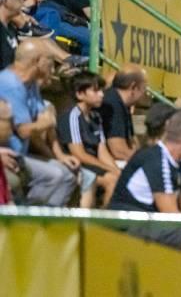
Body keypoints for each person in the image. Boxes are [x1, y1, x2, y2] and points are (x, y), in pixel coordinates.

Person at [107, 110, 181, 257]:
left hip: (149, 221)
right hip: (128, 223)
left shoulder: (176, 163)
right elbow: (171, 215)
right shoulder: (158, 161)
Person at [0, 40, 76, 206]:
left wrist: (59, 156)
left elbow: (45, 116)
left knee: (68, 175)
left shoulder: (30, 84)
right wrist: (44, 122)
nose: (52, 67)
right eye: (50, 61)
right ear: (38, 61)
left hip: (21, 155)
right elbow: (25, 131)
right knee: (55, 176)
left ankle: (42, 224)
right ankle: (27, 221)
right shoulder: (10, 85)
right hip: (8, 155)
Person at [57, 71, 120, 207]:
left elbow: (102, 151)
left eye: (102, 90)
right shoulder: (72, 116)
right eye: (96, 91)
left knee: (119, 177)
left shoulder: (96, 117)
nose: (102, 95)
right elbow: (79, 154)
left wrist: (115, 169)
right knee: (112, 180)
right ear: (80, 94)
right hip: (78, 165)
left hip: (94, 165)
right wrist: (108, 169)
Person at [98, 64, 148, 162]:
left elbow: (132, 142)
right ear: (133, 87)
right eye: (144, 88)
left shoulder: (124, 104)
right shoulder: (112, 103)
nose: (145, 94)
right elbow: (118, 150)